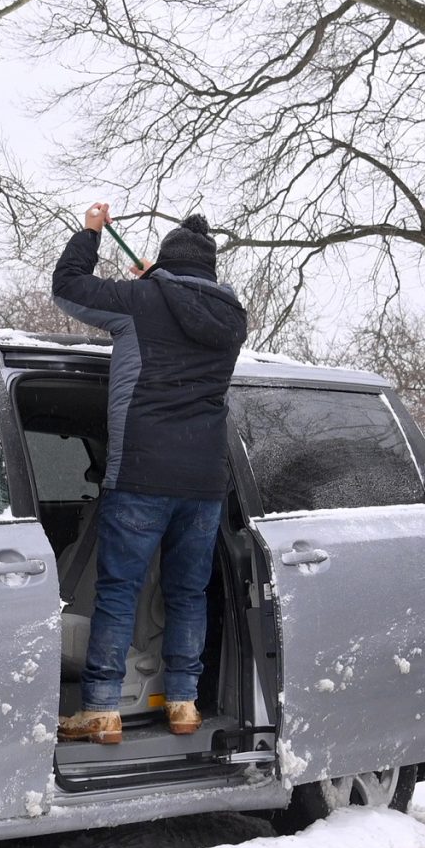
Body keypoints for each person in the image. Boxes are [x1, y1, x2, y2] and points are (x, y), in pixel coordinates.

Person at [50, 203, 249, 745]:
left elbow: (68, 286)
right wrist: (156, 285)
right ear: (210, 271)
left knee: (118, 592)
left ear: (163, 262)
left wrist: (91, 233)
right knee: (188, 592)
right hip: (204, 482)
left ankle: (101, 710)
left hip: (140, 474)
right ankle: (183, 704)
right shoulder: (233, 318)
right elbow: (184, 309)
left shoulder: (141, 300)